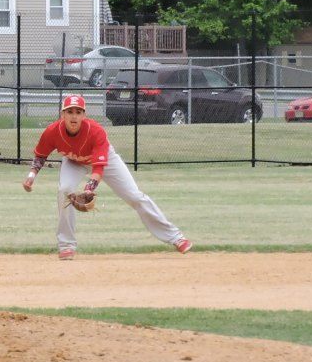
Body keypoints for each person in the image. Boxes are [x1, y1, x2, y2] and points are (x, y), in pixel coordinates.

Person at [22, 94, 192, 260]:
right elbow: (40, 155)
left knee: (135, 196)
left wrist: (89, 188)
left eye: (78, 112)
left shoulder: (95, 131)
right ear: (62, 115)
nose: (74, 116)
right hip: (73, 161)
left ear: (84, 115)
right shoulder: (53, 131)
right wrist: (31, 176)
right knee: (64, 190)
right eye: (70, 111)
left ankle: (176, 238)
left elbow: (98, 167)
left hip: (105, 160)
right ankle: (66, 245)